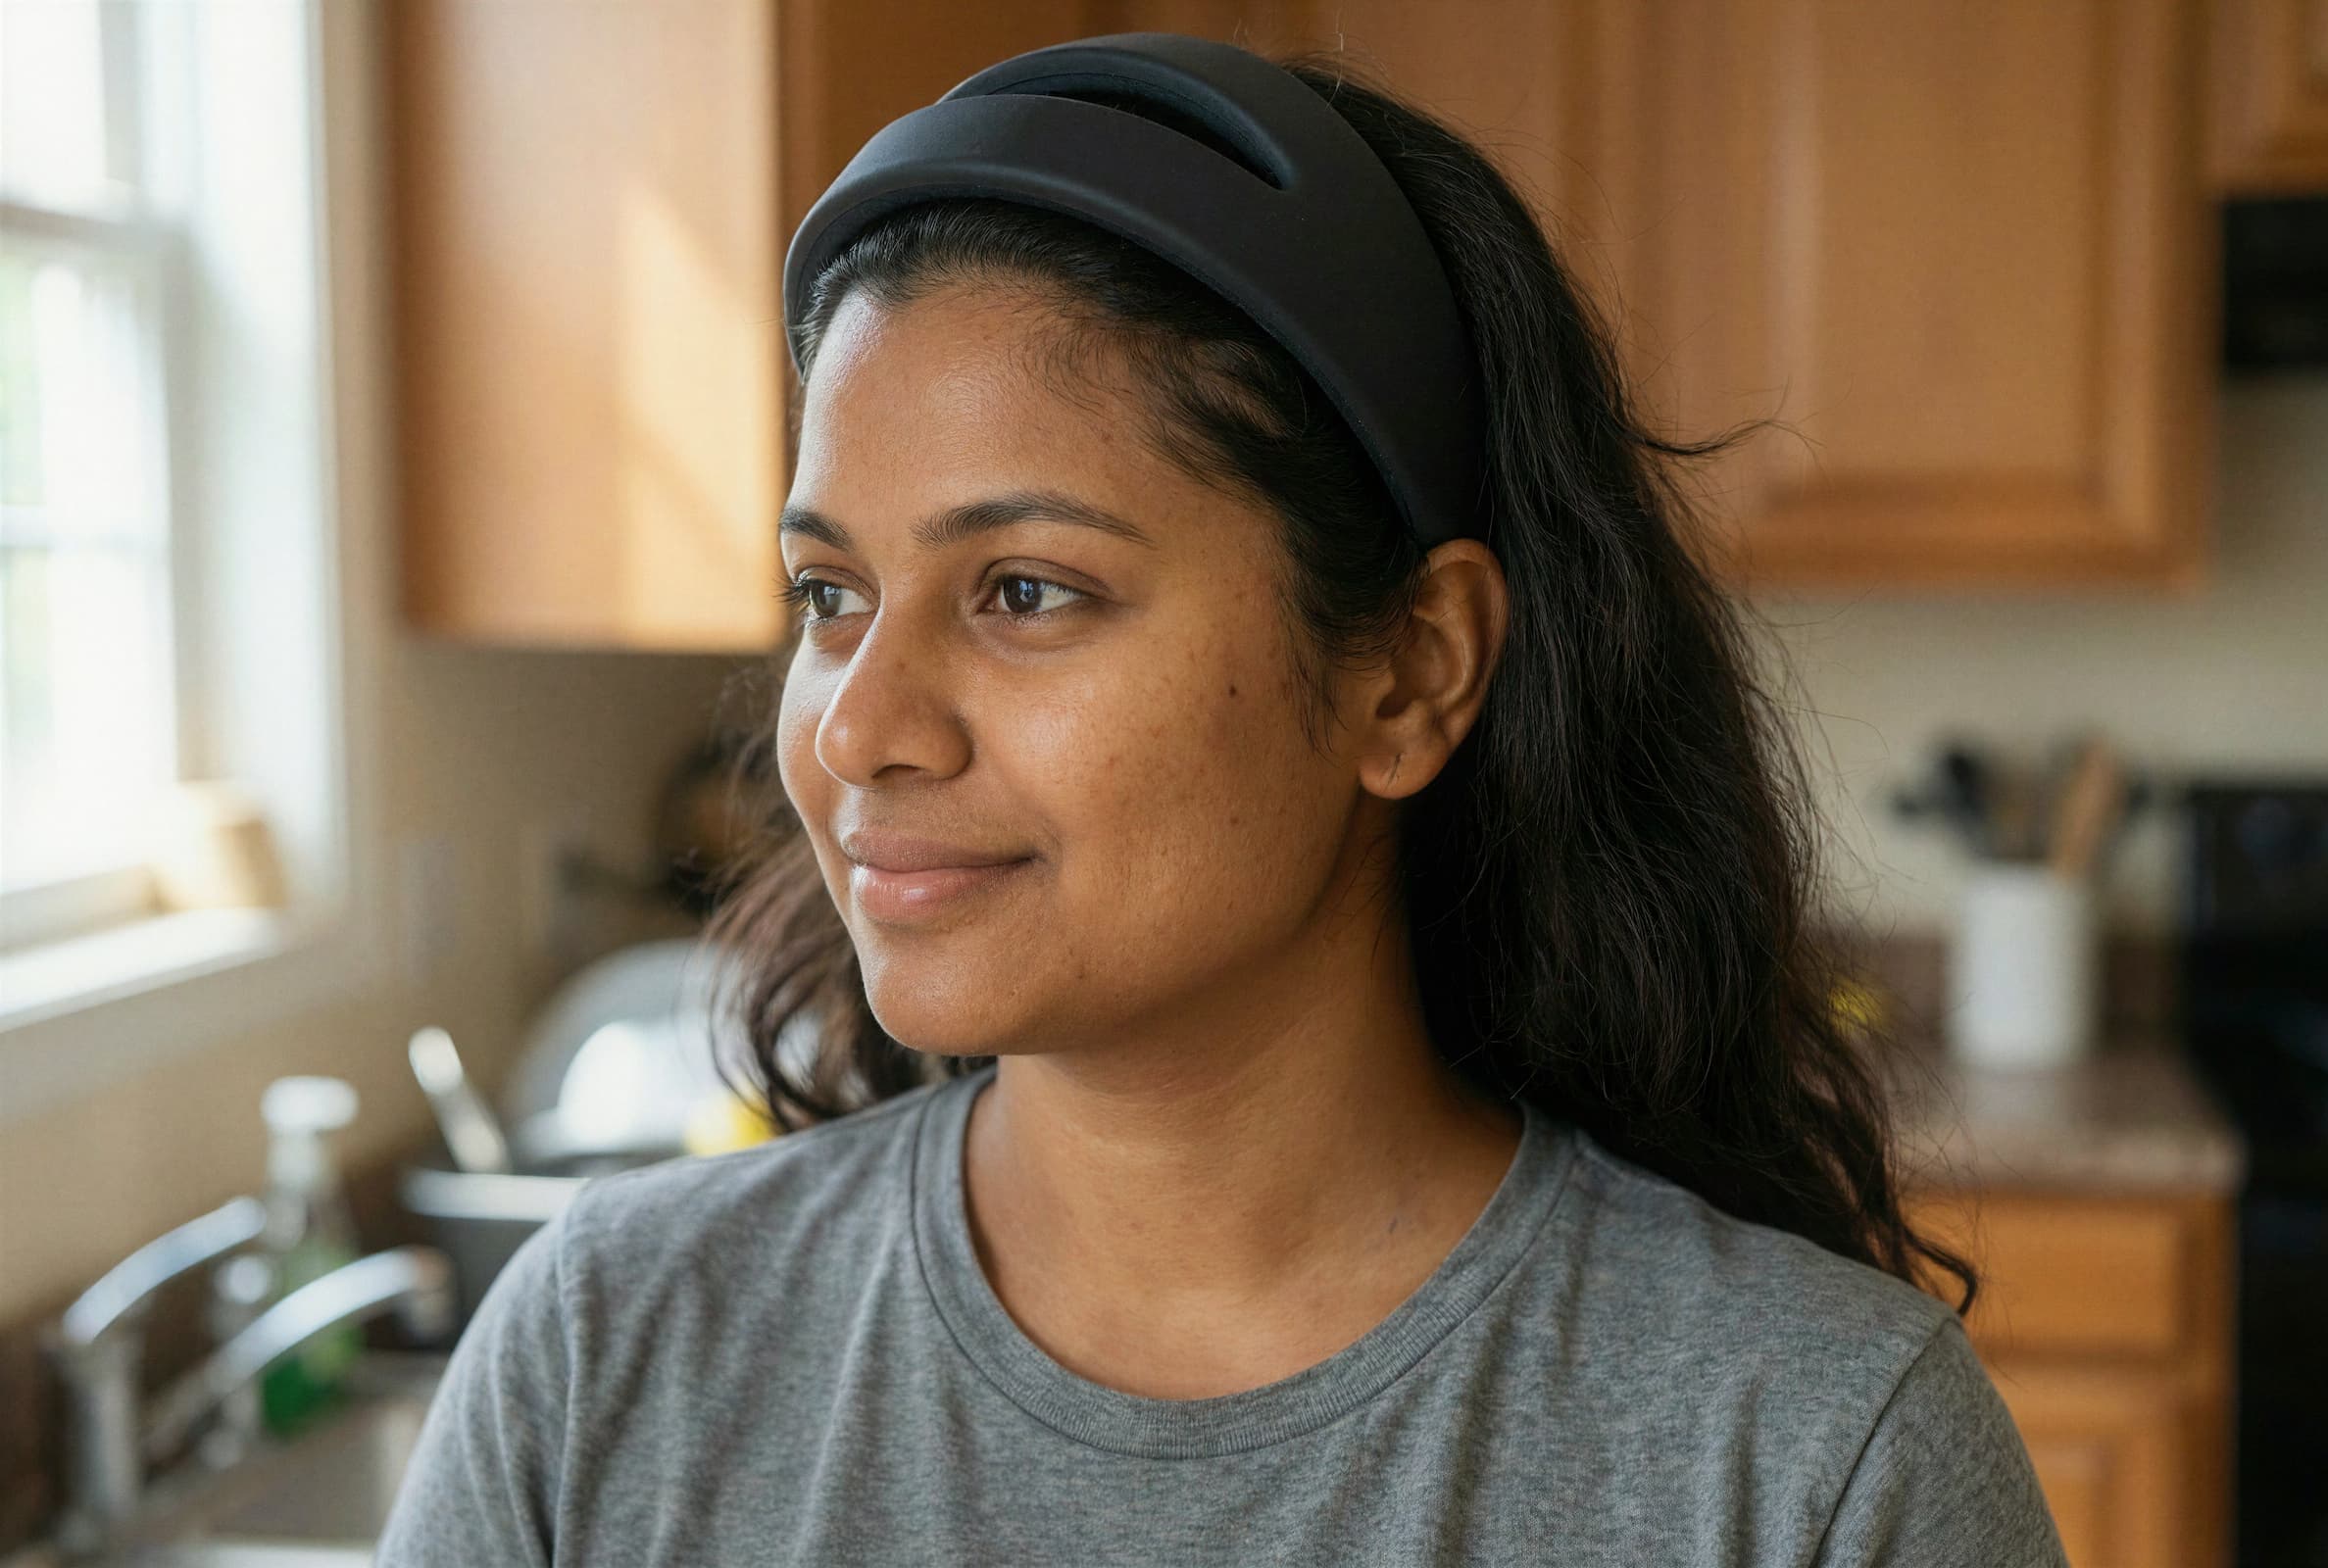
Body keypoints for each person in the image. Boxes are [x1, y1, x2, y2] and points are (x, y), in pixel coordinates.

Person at [380, 32, 2067, 1568]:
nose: (859, 729)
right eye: (831, 595)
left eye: (1026, 591)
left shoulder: (1818, 1460)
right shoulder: (597, 1362)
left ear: (1410, 672)